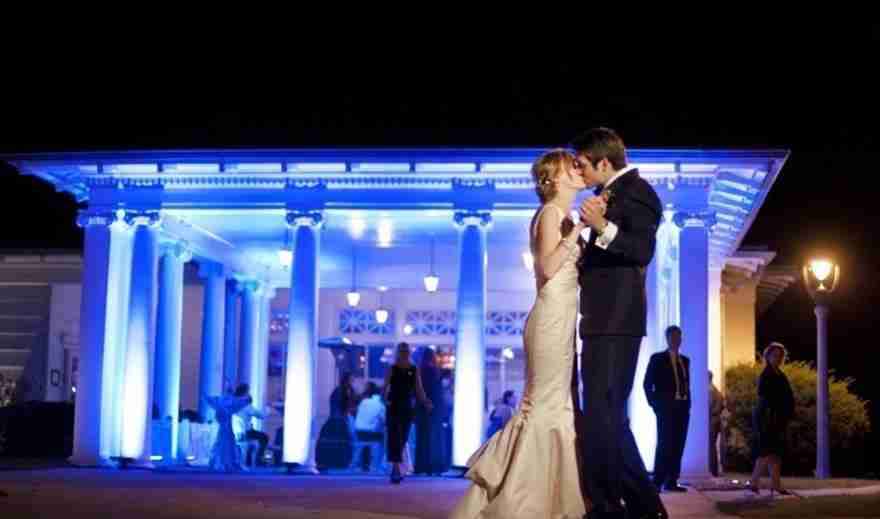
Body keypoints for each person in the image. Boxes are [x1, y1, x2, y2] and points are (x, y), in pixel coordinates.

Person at [450, 149, 589, 518]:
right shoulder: (550, 214)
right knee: (541, 407)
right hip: (548, 320)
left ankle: (547, 498)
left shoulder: (563, 215)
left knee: (556, 409)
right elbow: (546, 268)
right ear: (553, 178)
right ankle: (519, 499)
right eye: (569, 166)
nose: (577, 170)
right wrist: (575, 232)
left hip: (561, 322)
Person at [575, 128, 667, 519]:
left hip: (617, 320)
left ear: (603, 162)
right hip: (600, 319)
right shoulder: (607, 196)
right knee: (606, 415)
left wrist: (600, 228)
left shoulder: (639, 191)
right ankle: (641, 506)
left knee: (603, 414)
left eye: (582, 164)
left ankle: (607, 505)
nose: (579, 172)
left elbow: (642, 250)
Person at [643, 325, 691, 493]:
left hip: (682, 408)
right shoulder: (657, 359)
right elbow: (647, 384)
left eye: (679, 337)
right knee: (664, 444)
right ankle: (657, 481)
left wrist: (688, 404)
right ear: (667, 339)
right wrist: (656, 405)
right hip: (666, 408)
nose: (676, 340)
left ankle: (672, 481)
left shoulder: (685, 360)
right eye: (673, 337)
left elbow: (686, 383)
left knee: (679, 444)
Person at [748, 342, 795, 496]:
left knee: (775, 453)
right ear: (768, 356)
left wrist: (787, 413)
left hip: (779, 418)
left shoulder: (780, 375)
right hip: (767, 418)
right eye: (775, 355)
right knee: (767, 451)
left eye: (780, 356)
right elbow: (764, 398)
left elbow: (788, 396)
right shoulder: (766, 375)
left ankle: (774, 484)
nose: (778, 358)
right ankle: (755, 482)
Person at [383, 342, 432, 484]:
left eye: (406, 351)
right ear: (398, 352)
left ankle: (397, 468)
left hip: (406, 407)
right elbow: (385, 387)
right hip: (394, 406)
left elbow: (419, 389)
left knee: (402, 438)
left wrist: (426, 402)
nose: (404, 353)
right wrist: (384, 399)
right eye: (402, 351)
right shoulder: (392, 368)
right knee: (394, 437)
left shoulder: (413, 369)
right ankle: (396, 469)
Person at [414, 348, 448, 475]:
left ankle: (423, 466)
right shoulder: (435, 372)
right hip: (435, 410)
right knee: (434, 439)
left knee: (423, 439)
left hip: (424, 410)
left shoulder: (422, 371)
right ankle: (434, 466)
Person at [203, 388, 252, 472]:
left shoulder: (220, 401)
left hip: (225, 425)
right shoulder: (232, 401)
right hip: (226, 425)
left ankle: (221, 462)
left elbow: (209, 400)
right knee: (226, 441)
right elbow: (247, 401)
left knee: (223, 441)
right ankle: (227, 462)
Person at [231, 383, 270, 467]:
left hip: (232, 431)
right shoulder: (246, 406)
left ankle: (248, 459)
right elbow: (261, 415)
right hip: (245, 432)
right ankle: (259, 459)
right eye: (248, 392)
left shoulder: (232, 403)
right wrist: (267, 409)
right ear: (245, 393)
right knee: (264, 437)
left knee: (253, 438)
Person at [352, 381, 386, 472]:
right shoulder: (380, 404)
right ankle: (376, 466)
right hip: (372, 434)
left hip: (359, 431)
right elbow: (384, 419)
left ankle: (360, 465)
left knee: (364, 443)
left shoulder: (364, 401)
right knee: (383, 440)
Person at [709, 371, 726, 477]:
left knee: (710, 447)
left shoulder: (710, 391)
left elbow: (712, 408)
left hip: (711, 422)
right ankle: (713, 470)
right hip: (714, 422)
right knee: (712, 446)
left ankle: (712, 470)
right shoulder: (715, 391)